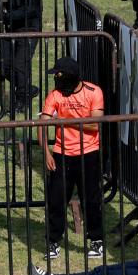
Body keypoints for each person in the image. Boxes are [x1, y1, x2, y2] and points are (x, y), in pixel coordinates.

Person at [37, 57, 104, 260]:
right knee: (56, 200)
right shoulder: (54, 95)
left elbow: (95, 125)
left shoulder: (94, 92)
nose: (56, 82)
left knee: (91, 199)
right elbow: (43, 123)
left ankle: (96, 240)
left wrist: (65, 121)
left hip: (89, 153)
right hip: (62, 153)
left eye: (59, 76)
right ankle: (53, 241)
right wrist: (46, 152)